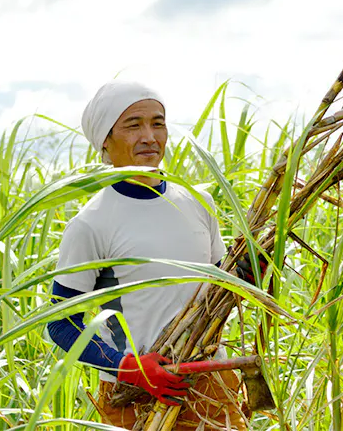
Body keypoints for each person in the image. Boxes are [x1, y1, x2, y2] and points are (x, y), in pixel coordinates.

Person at [46, 80, 250, 430]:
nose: (149, 136)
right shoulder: (92, 223)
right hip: (137, 397)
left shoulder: (198, 202)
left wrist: (251, 271)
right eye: (133, 125)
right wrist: (129, 369)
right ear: (105, 142)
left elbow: (218, 290)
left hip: (211, 383)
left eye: (158, 123)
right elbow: (61, 324)